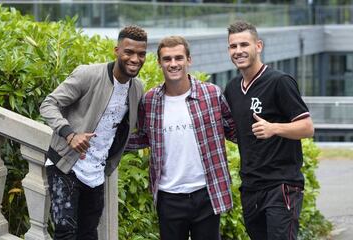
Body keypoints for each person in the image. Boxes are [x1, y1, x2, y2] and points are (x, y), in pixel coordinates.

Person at [39, 25, 147, 240]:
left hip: (96, 172)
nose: (135, 58)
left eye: (141, 54)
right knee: (65, 232)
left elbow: (125, 129)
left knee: (88, 234)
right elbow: (48, 104)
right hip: (65, 166)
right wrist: (70, 134)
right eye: (129, 52)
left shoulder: (138, 88)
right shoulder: (88, 74)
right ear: (117, 51)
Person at [128, 36, 236, 240]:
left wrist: (273, 131)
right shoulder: (150, 101)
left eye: (179, 58)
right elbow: (142, 137)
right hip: (168, 197)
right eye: (167, 59)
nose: (173, 64)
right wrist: (103, 142)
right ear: (159, 63)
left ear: (189, 60)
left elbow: (234, 132)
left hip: (206, 193)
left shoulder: (211, 94)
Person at [224, 21, 314, 240]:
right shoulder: (233, 88)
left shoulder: (279, 82)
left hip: (281, 185)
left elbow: (307, 127)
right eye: (233, 46)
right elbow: (236, 131)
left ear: (258, 46)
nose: (239, 51)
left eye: (244, 44)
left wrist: (273, 128)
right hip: (250, 187)